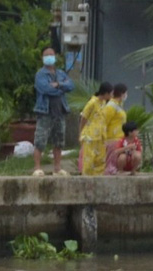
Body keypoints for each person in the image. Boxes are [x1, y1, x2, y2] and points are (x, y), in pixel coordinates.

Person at [31, 44, 75, 177]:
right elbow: (46, 89)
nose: (49, 57)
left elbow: (71, 85)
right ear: (42, 58)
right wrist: (60, 89)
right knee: (40, 140)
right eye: (46, 55)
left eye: (51, 55)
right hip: (45, 112)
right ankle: (37, 168)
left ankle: (57, 168)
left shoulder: (60, 73)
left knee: (59, 141)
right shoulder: (40, 74)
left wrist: (59, 85)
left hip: (60, 112)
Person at [76, 82, 114, 176]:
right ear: (105, 93)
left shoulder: (104, 103)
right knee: (89, 161)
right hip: (90, 136)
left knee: (100, 161)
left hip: (101, 136)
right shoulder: (92, 103)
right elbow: (84, 118)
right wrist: (81, 133)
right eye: (110, 93)